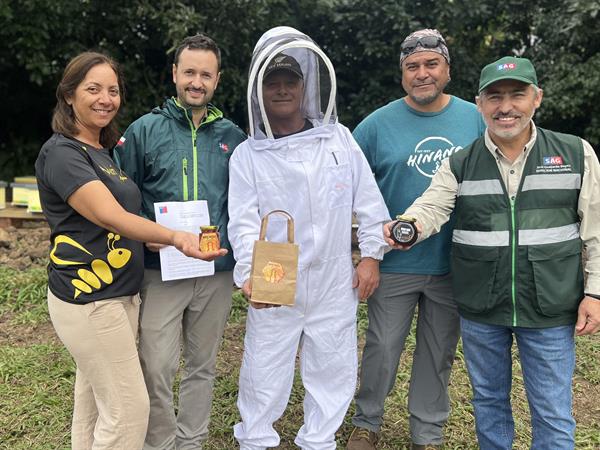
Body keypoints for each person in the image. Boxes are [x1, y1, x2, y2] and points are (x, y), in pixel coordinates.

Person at [385, 56, 600, 449]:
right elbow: (433, 206)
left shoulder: (575, 153)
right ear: (479, 104)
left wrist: (595, 293)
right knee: (488, 402)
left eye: (517, 95)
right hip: (482, 306)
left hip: (550, 306)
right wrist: (410, 226)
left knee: (552, 410)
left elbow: (596, 231)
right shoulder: (461, 162)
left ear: (537, 98)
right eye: (494, 97)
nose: (505, 107)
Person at [35, 52, 225, 450]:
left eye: (113, 90)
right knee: (129, 411)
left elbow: (125, 215)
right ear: (69, 95)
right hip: (89, 300)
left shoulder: (100, 150)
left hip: (119, 295)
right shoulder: (62, 153)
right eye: (93, 89)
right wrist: (174, 237)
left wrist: (150, 234)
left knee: (92, 407)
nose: (105, 98)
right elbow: (109, 215)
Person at [227, 26, 390, 450]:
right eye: (272, 82)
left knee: (333, 364)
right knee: (264, 364)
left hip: (334, 275)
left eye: (290, 81)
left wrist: (371, 255)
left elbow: (369, 202)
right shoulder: (248, 155)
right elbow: (243, 222)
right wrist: (248, 274)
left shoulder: (339, 139)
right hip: (275, 274)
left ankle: (319, 441)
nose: (281, 90)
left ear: (305, 86)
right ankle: (256, 440)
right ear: (258, 91)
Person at [346, 29, 485, 450]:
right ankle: (366, 422)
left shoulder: (476, 118)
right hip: (396, 263)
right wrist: (364, 250)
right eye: (413, 67)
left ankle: (427, 433)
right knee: (382, 349)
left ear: (446, 69)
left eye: (431, 64)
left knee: (438, 352)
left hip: (454, 263)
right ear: (402, 74)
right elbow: (346, 188)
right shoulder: (375, 125)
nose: (422, 74)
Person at [113, 34, 246, 450]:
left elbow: (245, 201)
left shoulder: (233, 137)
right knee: (155, 365)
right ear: (174, 74)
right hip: (161, 268)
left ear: (217, 80)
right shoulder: (143, 130)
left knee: (203, 366)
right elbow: (119, 199)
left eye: (205, 74)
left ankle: (192, 441)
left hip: (214, 270)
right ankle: (161, 443)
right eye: (189, 72)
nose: (196, 81)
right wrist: (144, 238)